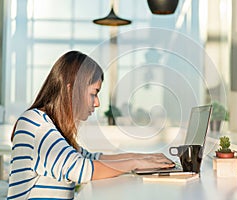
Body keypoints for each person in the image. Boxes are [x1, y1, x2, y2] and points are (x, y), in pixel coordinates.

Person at [7, 50, 174, 199]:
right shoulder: (34, 124)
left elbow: (92, 158)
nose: (97, 103)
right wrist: (136, 164)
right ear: (71, 90)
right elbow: (81, 169)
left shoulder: (53, 127)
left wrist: (142, 157)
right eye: (94, 94)